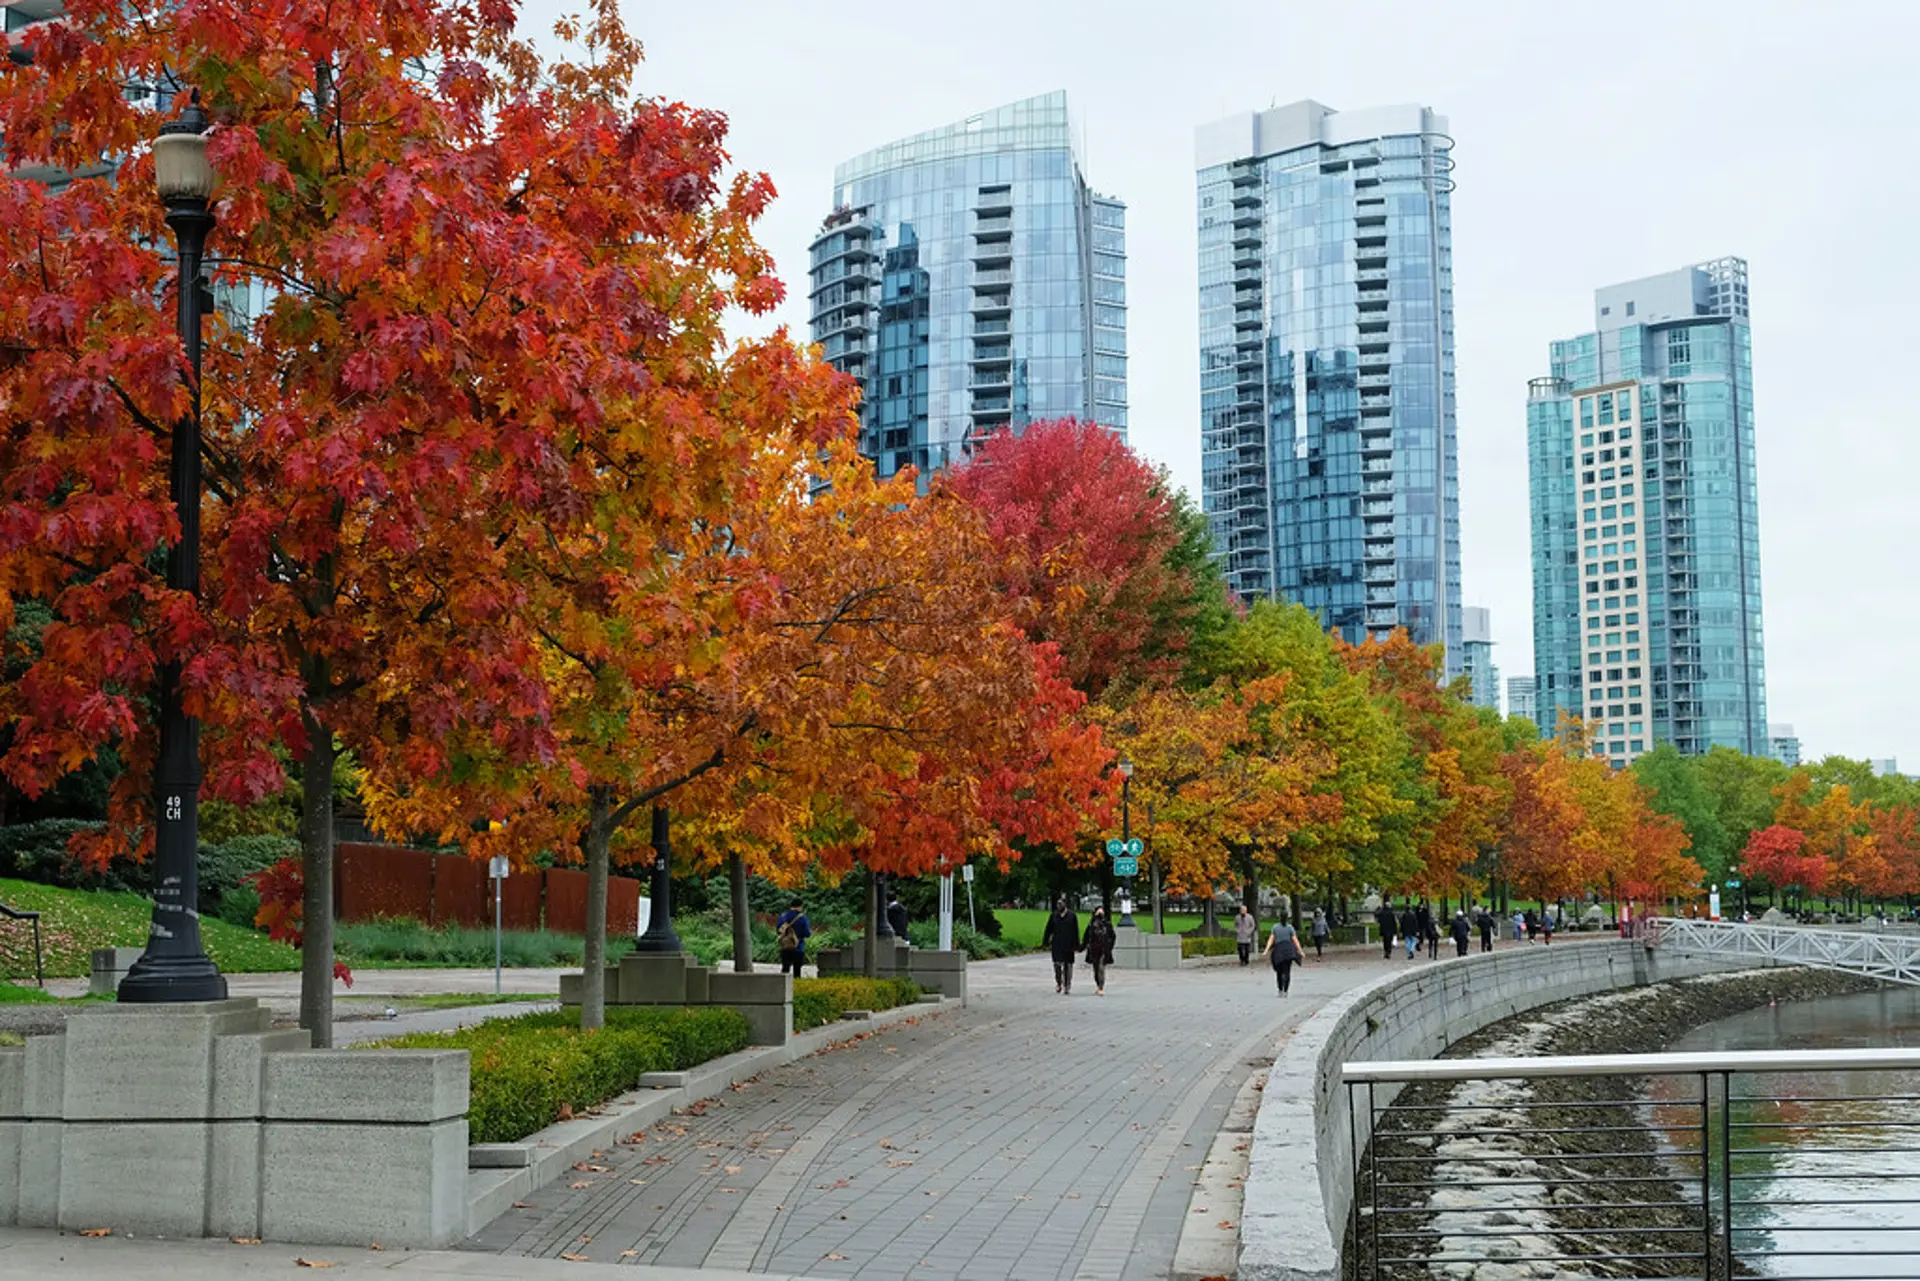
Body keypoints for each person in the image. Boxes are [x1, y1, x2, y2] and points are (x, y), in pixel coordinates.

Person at [1042, 898, 1080, 994]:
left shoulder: (1072, 916)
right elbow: (1048, 929)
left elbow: (1075, 931)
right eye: (1057, 904)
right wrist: (1045, 941)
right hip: (1057, 944)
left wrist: (1076, 945)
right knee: (1057, 965)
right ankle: (1059, 982)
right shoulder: (1054, 915)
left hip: (1069, 944)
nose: (1058, 906)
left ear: (1065, 905)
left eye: (1060, 904)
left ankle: (1067, 985)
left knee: (1068, 966)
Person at [1261, 915, 1305, 996]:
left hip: (1279, 951)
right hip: (1289, 951)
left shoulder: (1275, 927)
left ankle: (1280, 990)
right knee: (1287, 971)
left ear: (1279, 918)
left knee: (1279, 972)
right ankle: (1286, 991)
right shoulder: (1290, 928)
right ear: (1287, 919)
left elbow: (1271, 940)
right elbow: (1295, 941)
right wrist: (1300, 951)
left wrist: (1266, 950)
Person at [1082, 906, 1117, 995]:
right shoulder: (1091, 925)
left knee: (1101, 968)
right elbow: (1086, 937)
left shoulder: (1107, 925)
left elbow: (1112, 936)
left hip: (1104, 950)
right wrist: (1082, 947)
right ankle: (1098, 984)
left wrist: (1110, 946)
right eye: (1098, 912)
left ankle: (1101, 987)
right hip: (1093, 950)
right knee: (1096, 969)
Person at [775, 900, 811, 976]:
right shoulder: (802, 918)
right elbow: (807, 934)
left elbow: (778, 931)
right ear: (800, 906)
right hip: (798, 947)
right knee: (797, 971)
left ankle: (784, 986)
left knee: (785, 969)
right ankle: (796, 986)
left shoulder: (782, 917)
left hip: (785, 947)